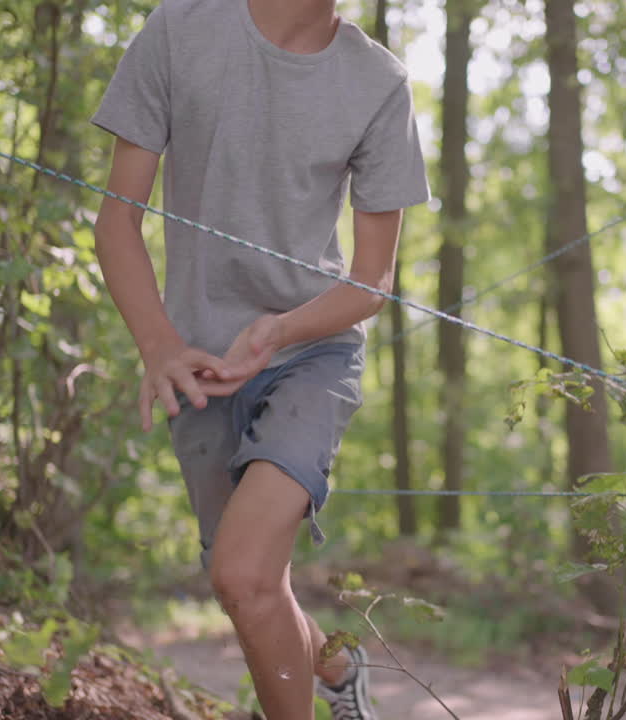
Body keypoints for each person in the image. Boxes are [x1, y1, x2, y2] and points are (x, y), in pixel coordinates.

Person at [91, 0, 428, 717]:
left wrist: (279, 331)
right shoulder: (179, 30)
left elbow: (373, 282)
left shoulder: (379, 82)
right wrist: (160, 346)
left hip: (312, 352)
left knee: (245, 575)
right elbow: (117, 216)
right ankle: (337, 668)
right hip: (198, 362)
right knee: (247, 586)